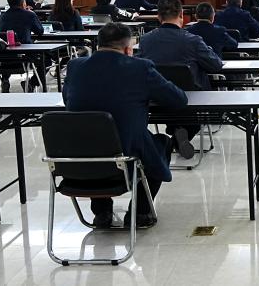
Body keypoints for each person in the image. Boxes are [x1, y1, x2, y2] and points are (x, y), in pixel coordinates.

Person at [63, 22, 189, 228]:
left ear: (97, 44)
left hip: (75, 162)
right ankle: (140, 212)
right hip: (124, 160)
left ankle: (102, 212)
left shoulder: (75, 66)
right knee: (162, 143)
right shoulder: (140, 68)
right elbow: (178, 100)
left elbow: (67, 98)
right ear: (128, 48)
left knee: (92, 134)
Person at [139, 0, 223, 159]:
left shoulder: (145, 40)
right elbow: (215, 65)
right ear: (182, 15)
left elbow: (140, 67)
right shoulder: (192, 40)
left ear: (158, 17)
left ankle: (176, 131)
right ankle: (178, 135)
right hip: (192, 101)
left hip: (157, 100)